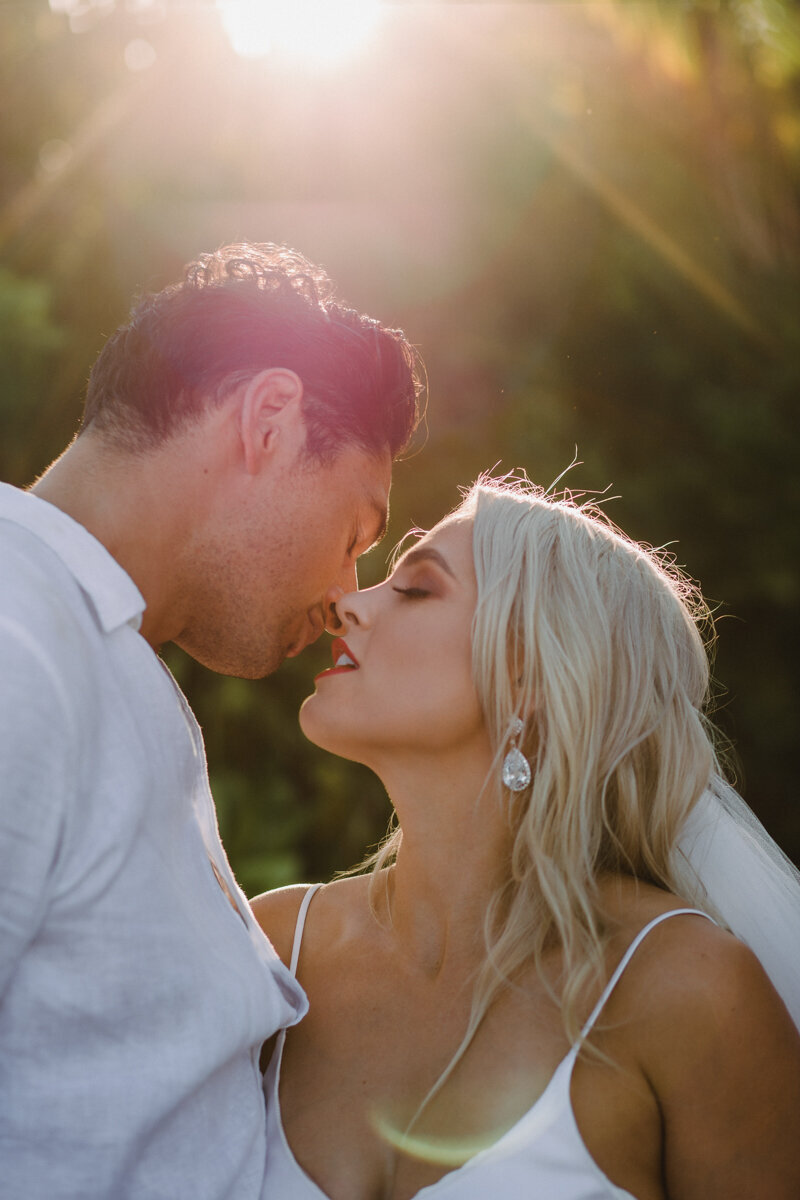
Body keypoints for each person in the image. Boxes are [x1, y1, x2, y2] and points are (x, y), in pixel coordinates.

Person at [0, 242, 422, 1200]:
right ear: (269, 421)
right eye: (356, 533)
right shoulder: (18, 635)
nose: (344, 593)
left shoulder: (96, 652)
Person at [252, 473, 800, 1200]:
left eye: (415, 590)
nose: (344, 604)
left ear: (529, 674)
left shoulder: (686, 992)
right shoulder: (271, 953)